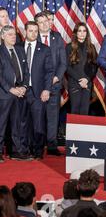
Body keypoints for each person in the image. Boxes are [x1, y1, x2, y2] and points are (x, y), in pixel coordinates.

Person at [20, 21, 54, 159]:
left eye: (36, 31)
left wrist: (47, 89)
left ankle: (38, 152)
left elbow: (49, 71)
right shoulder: (18, 48)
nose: (33, 33)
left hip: (38, 92)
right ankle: (23, 150)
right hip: (20, 92)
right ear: (25, 32)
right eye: (30, 30)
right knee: (21, 122)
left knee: (38, 124)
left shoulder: (45, 49)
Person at [35, 12, 67, 156]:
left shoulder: (57, 37)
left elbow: (63, 62)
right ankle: (38, 145)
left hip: (54, 84)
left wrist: (56, 77)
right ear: (36, 24)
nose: (44, 24)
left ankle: (52, 145)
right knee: (38, 116)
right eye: (40, 22)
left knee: (52, 115)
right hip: (37, 85)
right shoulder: (33, 37)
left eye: (46, 21)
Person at [0, 26, 29, 162]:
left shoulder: (19, 50)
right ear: (3, 36)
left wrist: (23, 86)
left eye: (14, 34)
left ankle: (16, 151)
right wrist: (10, 89)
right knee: (2, 124)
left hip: (20, 93)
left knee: (17, 124)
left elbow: (26, 71)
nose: (13, 37)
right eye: (10, 35)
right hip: (5, 93)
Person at [65, 22, 98, 115]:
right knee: (74, 111)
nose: (82, 33)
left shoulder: (91, 47)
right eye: (79, 31)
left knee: (85, 112)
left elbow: (94, 66)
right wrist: (80, 80)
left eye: (84, 31)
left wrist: (86, 79)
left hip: (87, 84)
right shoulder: (69, 47)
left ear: (87, 33)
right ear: (76, 33)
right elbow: (67, 67)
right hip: (75, 83)